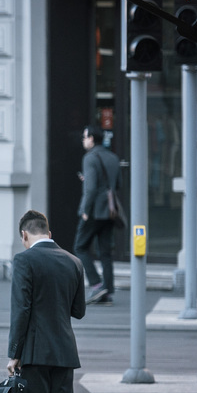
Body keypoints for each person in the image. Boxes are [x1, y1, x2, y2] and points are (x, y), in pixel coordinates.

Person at [6, 209, 86, 393]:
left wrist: (14, 354)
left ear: (25, 235)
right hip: (65, 355)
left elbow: (21, 310)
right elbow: (78, 311)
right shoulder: (74, 262)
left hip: (35, 356)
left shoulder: (24, 260)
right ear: (49, 234)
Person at [75, 125, 120, 305]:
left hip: (93, 210)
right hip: (110, 210)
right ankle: (107, 292)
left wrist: (85, 210)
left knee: (80, 247)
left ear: (92, 139)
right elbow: (118, 184)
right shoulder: (114, 157)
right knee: (105, 252)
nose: (83, 140)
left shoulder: (90, 158)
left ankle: (96, 284)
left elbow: (91, 189)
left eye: (85, 137)